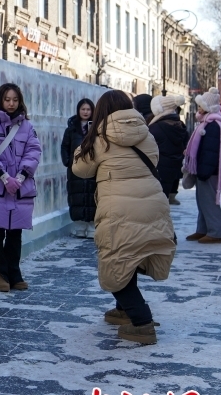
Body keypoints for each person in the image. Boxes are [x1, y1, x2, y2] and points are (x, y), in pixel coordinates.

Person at [72, 90, 175, 345]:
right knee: (131, 255)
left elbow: (80, 168)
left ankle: (142, 322)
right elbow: (154, 161)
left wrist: (87, 138)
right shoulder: (146, 134)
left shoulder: (99, 138)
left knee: (115, 260)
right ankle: (123, 310)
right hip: (151, 204)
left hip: (118, 208)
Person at [0, 83, 42, 292]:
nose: (11, 103)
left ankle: (14, 272)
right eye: (7, 99)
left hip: (21, 187)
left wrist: (22, 176)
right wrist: (4, 177)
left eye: (15, 99)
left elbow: (33, 151)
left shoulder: (27, 127)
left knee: (15, 233)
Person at [183, 88, 221, 244]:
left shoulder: (212, 125)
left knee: (209, 201)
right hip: (204, 169)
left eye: (201, 106)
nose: (199, 108)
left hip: (209, 171)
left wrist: (204, 171)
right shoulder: (206, 123)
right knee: (202, 201)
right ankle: (203, 230)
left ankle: (216, 232)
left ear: (208, 107)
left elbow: (211, 151)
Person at [61, 98, 96, 237]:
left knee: (93, 196)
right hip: (75, 169)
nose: (86, 112)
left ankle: (92, 226)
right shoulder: (71, 129)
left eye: (88, 109)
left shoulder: (96, 127)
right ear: (78, 110)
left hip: (93, 168)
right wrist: (68, 161)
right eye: (83, 109)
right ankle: (80, 226)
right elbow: (64, 146)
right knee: (76, 197)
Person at [148, 94, 189, 205]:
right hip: (172, 166)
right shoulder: (179, 125)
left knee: (155, 202)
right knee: (163, 200)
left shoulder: (156, 127)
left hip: (157, 168)